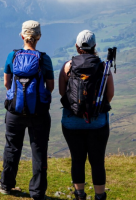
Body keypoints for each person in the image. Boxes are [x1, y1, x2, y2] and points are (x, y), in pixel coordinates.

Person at [0, 20, 54, 200]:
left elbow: (6, 83)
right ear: (39, 37)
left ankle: (6, 185)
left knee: (12, 147)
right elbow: (50, 86)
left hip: (15, 112)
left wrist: (19, 95)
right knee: (39, 150)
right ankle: (37, 192)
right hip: (39, 113)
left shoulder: (12, 56)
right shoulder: (44, 59)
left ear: (22, 36)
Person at [59, 30, 114, 200]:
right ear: (94, 46)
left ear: (77, 46)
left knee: (77, 159)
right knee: (97, 161)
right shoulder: (103, 67)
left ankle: (79, 195)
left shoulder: (68, 66)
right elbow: (110, 94)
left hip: (71, 122)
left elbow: (63, 93)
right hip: (97, 122)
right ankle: (99, 196)